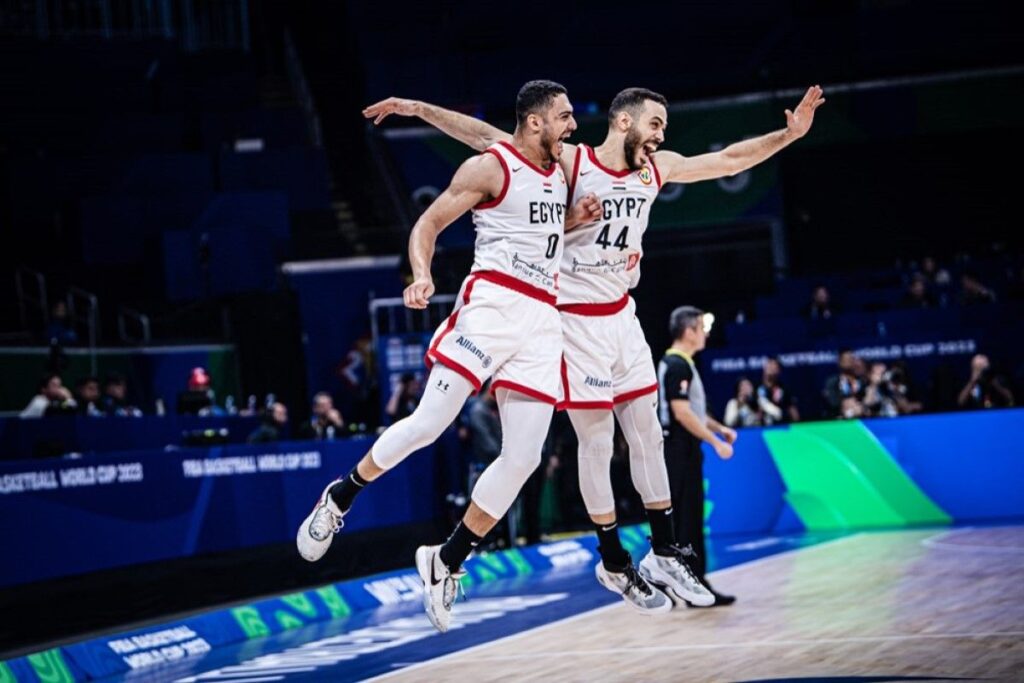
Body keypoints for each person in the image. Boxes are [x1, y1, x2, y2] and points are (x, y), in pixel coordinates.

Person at [365, 83, 824, 612]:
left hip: (622, 315)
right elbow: (489, 139)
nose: (661, 136)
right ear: (625, 122)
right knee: (597, 441)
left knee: (648, 433)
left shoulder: (656, 170)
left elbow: (727, 160)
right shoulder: (572, 161)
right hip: (573, 319)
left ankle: (664, 551)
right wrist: (419, 108)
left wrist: (788, 135)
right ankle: (612, 558)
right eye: (655, 125)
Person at [298, 80, 604, 633]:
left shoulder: (556, 167)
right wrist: (421, 274)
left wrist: (573, 222)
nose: (573, 125)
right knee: (429, 424)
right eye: (564, 116)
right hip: (492, 305)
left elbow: (523, 207)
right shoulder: (490, 167)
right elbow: (429, 223)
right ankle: (340, 497)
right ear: (535, 121)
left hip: (541, 319)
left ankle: (445, 560)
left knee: (524, 457)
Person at [658, 306, 737, 606]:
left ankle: (684, 583)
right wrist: (716, 442)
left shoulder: (681, 364)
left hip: (681, 449)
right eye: (701, 328)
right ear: (688, 331)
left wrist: (719, 428)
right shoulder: (677, 365)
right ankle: (694, 585)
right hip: (679, 449)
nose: (705, 334)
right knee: (687, 520)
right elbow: (681, 413)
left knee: (685, 519)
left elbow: (693, 411)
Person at [757, 357, 800, 425]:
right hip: (759, 427)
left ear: (779, 371)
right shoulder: (755, 387)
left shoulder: (784, 389)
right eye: (769, 364)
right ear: (764, 367)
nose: (770, 368)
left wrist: (797, 427)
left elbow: (793, 412)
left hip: (780, 426)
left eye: (774, 366)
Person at [823, 349, 864, 419]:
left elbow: (866, 401)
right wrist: (846, 404)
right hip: (839, 419)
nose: (850, 362)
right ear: (840, 362)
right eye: (846, 359)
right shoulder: (833, 382)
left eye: (851, 359)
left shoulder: (861, 381)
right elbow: (833, 403)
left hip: (861, 418)